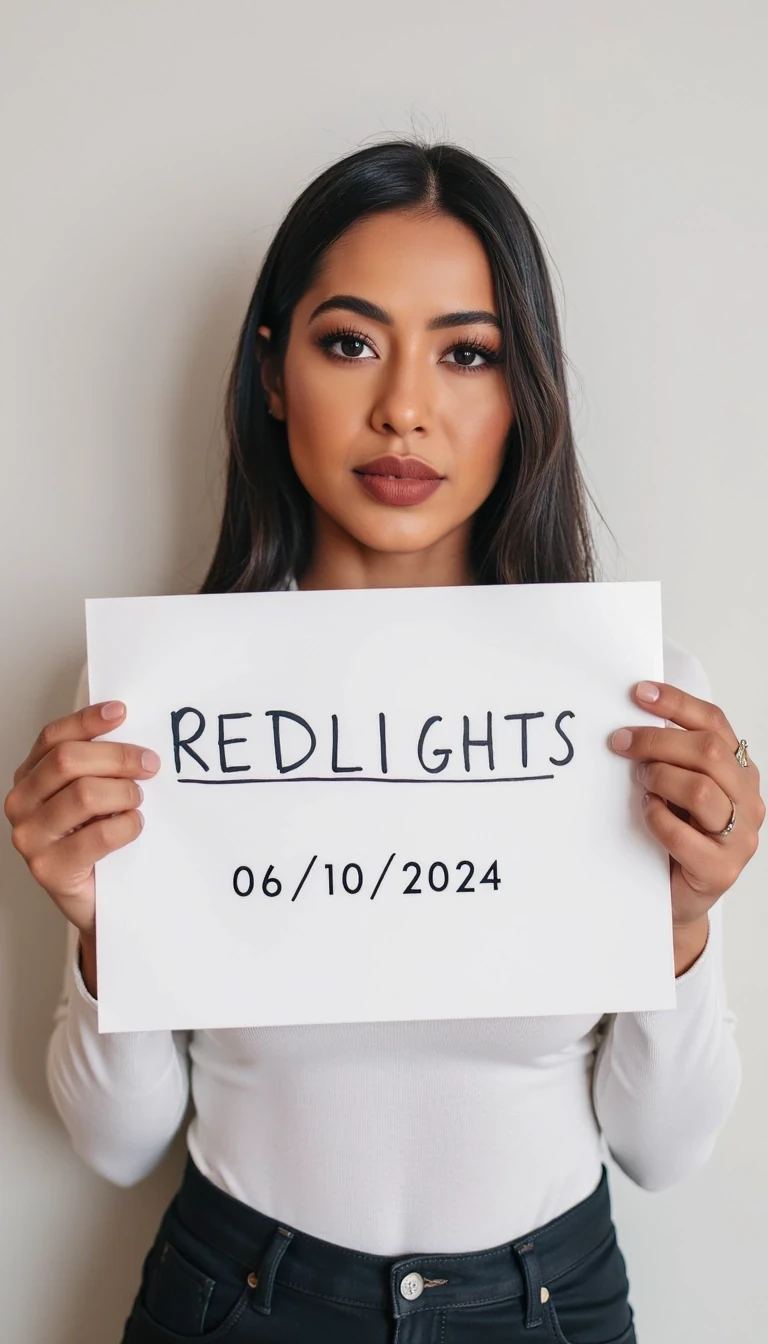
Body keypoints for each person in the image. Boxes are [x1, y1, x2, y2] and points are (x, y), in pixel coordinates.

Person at [5, 137, 763, 1344]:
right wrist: (107, 932)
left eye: (468, 353)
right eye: (350, 341)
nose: (404, 406)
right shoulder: (157, 700)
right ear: (270, 371)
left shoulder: (639, 704)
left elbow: (664, 1151)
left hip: (545, 1304)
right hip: (236, 1296)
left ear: (524, 392)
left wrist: (679, 928)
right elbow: (114, 1144)